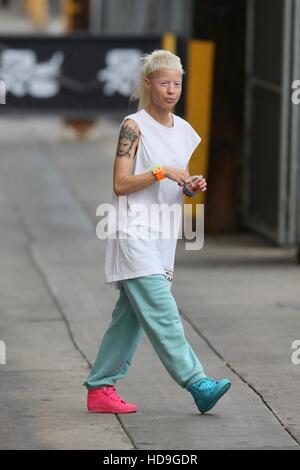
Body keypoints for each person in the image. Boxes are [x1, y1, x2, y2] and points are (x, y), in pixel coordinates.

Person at [83, 49, 231, 414]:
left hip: (163, 236)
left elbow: (173, 183)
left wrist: (188, 186)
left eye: (177, 84)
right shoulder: (133, 126)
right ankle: (197, 382)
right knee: (163, 311)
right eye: (163, 82)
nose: (170, 90)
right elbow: (120, 184)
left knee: (129, 318)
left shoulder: (184, 132)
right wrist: (161, 171)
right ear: (148, 83)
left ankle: (101, 388)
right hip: (133, 232)